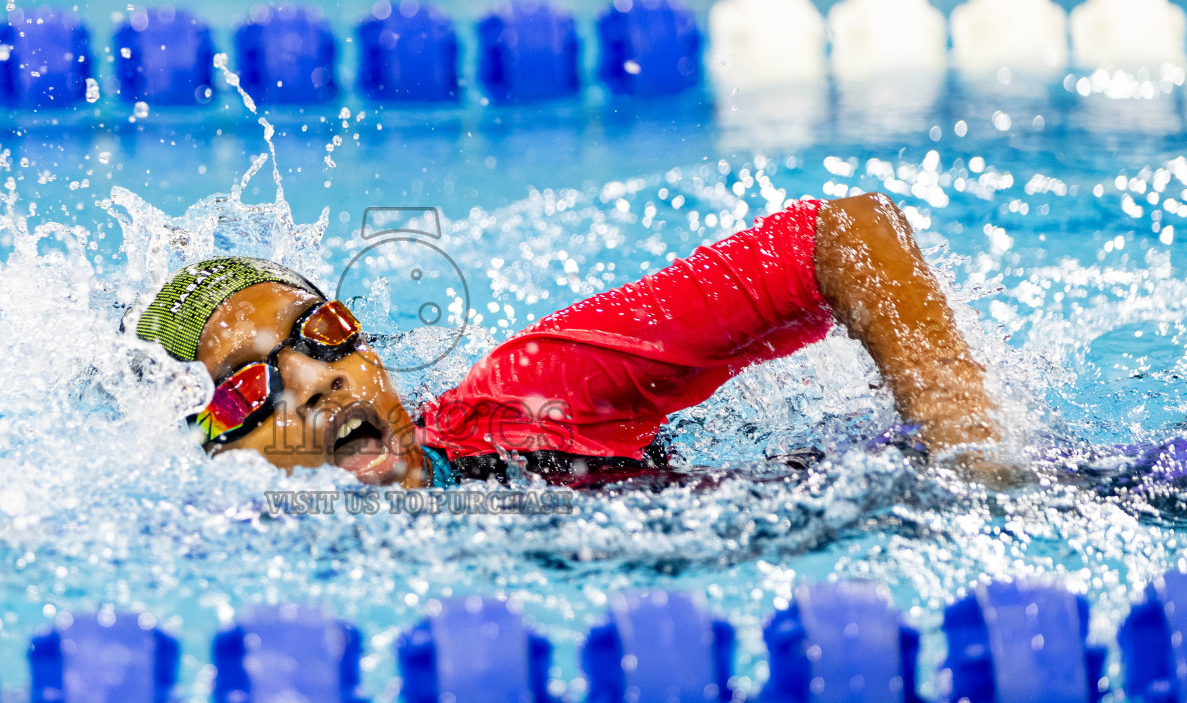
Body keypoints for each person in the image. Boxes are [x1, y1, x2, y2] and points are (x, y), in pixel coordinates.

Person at [130, 193, 998, 490]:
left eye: (319, 334)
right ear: (215, 447)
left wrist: (970, 446)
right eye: (250, 391)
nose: (313, 383)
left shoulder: (530, 396)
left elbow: (845, 236)